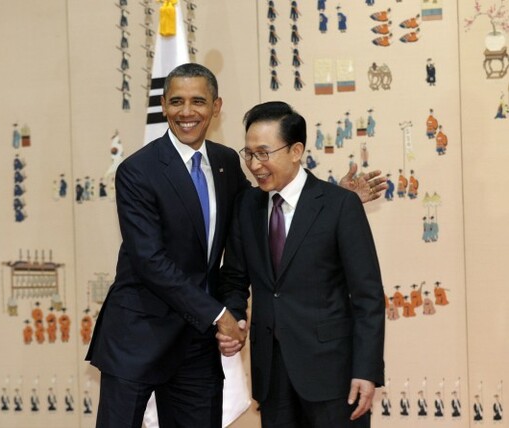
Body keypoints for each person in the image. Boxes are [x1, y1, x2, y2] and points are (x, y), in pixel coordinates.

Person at [86, 64, 386, 428]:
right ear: (163, 105)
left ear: (216, 107)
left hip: (198, 346)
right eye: (177, 101)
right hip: (139, 336)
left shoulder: (226, 162)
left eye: (198, 101)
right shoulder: (137, 171)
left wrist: (332, 200)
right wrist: (220, 315)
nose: (187, 111)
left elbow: (276, 203)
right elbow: (150, 261)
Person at [217, 101, 385, 427]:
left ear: (295, 151)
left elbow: (368, 296)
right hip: (271, 376)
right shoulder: (246, 206)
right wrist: (235, 319)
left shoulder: (339, 205)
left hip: (333, 374)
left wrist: (366, 370)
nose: (255, 165)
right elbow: (234, 279)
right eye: (249, 154)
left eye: (264, 153)